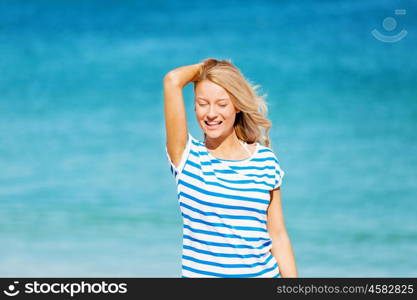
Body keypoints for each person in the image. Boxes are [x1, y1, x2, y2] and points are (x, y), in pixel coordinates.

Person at [163, 58, 298, 278]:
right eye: (202, 103)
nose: (211, 113)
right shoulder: (187, 157)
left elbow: (278, 235)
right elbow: (172, 80)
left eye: (222, 104)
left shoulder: (265, 161)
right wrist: (205, 67)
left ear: (237, 106)